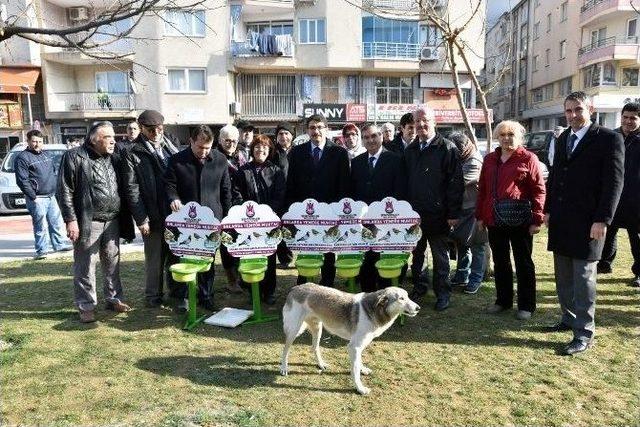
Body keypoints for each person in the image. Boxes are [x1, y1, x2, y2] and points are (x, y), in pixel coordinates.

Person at [544, 91, 624, 355]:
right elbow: (554, 176)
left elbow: (614, 183)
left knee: (583, 278)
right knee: (564, 276)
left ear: (590, 109)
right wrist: (547, 210)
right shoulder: (564, 137)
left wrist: (603, 219)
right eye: (568, 111)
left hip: (590, 222)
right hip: (562, 220)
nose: (573, 115)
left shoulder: (609, 139)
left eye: (578, 109)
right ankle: (568, 319)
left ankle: (584, 333)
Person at [56, 121, 135, 323]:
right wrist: (70, 220)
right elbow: (64, 191)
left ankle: (114, 298)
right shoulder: (74, 156)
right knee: (85, 265)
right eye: (108, 137)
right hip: (87, 222)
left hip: (112, 220)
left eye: (113, 137)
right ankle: (86, 305)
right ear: (94, 139)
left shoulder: (114, 158)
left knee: (112, 262)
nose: (113, 141)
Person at [475, 121, 546, 320]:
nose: (506, 138)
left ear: (519, 137)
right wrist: (480, 216)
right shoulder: (490, 159)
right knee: (500, 262)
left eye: (511, 134)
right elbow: (483, 190)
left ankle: (526, 305)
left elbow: (539, 190)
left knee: (523, 262)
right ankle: (503, 301)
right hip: (494, 219)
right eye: (503, 134)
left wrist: (537, 218)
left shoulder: (529, 158)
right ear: (498, 137)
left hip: (520, 220)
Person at [165, 124, 233, 312]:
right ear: (191, 142)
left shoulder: (220, 160)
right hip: (185, 220)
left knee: (207, 260)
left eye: (207, 148)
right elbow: (169, 185)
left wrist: (226, 218)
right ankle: (183, 296)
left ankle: (206, 295)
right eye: (200, 147)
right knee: (182, 257)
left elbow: (226, 190)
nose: (204, 152)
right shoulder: (176, 160)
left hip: (211, 220)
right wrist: (174, 198)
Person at [404, 106, 463, 311]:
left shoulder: (447, 148)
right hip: (414, 215)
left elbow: (456, 183)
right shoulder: (410, 150)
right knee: (417, 256)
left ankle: (443, 293)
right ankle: (419, 287)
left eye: (425, 120)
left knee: (440, 258)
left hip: (439, 215)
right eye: (417, 121)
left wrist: (453, 214)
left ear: (434, 122)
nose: (421, 125)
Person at [121, 110, 180, 308]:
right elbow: (131, 188)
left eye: (159, 129)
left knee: (175, 254)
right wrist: (141, 218)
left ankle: (176, 291)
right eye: (151, 130)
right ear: (142, 129)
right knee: (155, 258)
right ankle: (153, 297)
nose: (156, 133)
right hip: (151, 213)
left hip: (174, 213)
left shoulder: (171, 147)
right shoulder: (132, 152)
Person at [286, 114, 350, 287]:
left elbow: (343, 185)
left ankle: (328, 283)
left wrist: (338, 212)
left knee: (328, 250)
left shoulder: (339, 152)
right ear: (307, 130)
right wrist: (292, 209)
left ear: (326, 129)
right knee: (306, 245)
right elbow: (291, 182)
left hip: (330, 210)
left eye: (320, 127)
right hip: (305, 212)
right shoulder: (297, 152)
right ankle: (304, 282)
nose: (316, 131)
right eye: (312, 127)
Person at [350, 123, 405, 292]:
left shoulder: (395, 159)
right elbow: (353, 190)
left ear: (381, 137)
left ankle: (386, 293)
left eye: (374, 136)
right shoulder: (357, 162)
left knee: (385, 259)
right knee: (367, 260)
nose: (370, 140)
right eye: (366, 137)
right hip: (364, 220)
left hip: (387, 219)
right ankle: (368, 294)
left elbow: (400, 190)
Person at [232, 134, 286, 304]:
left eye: (264, 148)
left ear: (269, 150)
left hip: (269, 221)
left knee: (269, 256)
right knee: (250, 255)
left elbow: (280, 195)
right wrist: (244, 211)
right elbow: (237, 193)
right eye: (257, 147)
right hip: (247, 222)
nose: (260, 150)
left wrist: (268, 213)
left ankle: (269, 292)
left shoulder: (276, 171)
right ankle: (252, 290)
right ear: (252, 150)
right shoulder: (243, 170)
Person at [597, 102, 640, 287]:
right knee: (608, 233)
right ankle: (604, 264)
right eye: (625, 117)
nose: (628, 121)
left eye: (633, 118)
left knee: (636, 239)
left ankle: (639, 273)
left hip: (636, 199)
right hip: (614, 195)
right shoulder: (612, 136)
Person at [15, 130, 72, 260]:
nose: (37, 144)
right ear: (28, 141)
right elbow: (22, 180)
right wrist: (32, 196)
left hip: (51, 196)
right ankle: (42, 250)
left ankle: (59, 245)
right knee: (40, 225)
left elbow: (53, 173)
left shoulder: (46, 155)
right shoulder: (22, 158)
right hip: (37, 198)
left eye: (40, 141)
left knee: (56, 222)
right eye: (34, 141)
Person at [448, 132, 486, 294]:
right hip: (463, 208)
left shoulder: (474, 161)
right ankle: (462, 275)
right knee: (462, 243)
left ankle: (475, 279)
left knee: (478, 246)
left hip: (475, 209)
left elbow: (459, 183)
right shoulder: (463, 159)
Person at [217, 124, 247, 294]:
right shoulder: (214, 157)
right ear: (221, 140)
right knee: (226, 243)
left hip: (240, 205)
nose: (231, 144)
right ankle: (231, 280)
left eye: (234, 140)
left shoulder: (242, 155)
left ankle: (241, 276)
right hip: (222, 205)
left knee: (240, 241)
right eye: (227, 140)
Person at [272, 122, 295, 268]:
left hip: (295, 194)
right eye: (280, 134)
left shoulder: (298, 151)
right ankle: (284, 258)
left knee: (295, 227)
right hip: (278, 195)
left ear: (292, 136)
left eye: (286, 133)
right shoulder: (272, 152)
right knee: (280, 226)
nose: (283, 136)